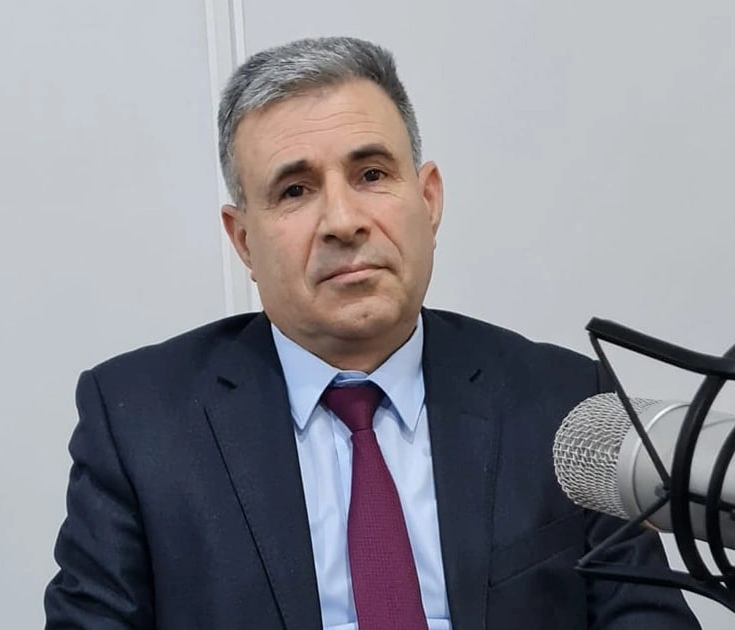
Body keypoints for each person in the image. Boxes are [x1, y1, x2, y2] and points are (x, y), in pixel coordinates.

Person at [44, 36, 700, 629]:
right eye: (295, 190)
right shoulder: (140, 423)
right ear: (243, 241)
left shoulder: (564, 402)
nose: (342, 221)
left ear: (429, 199)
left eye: (371, 175)